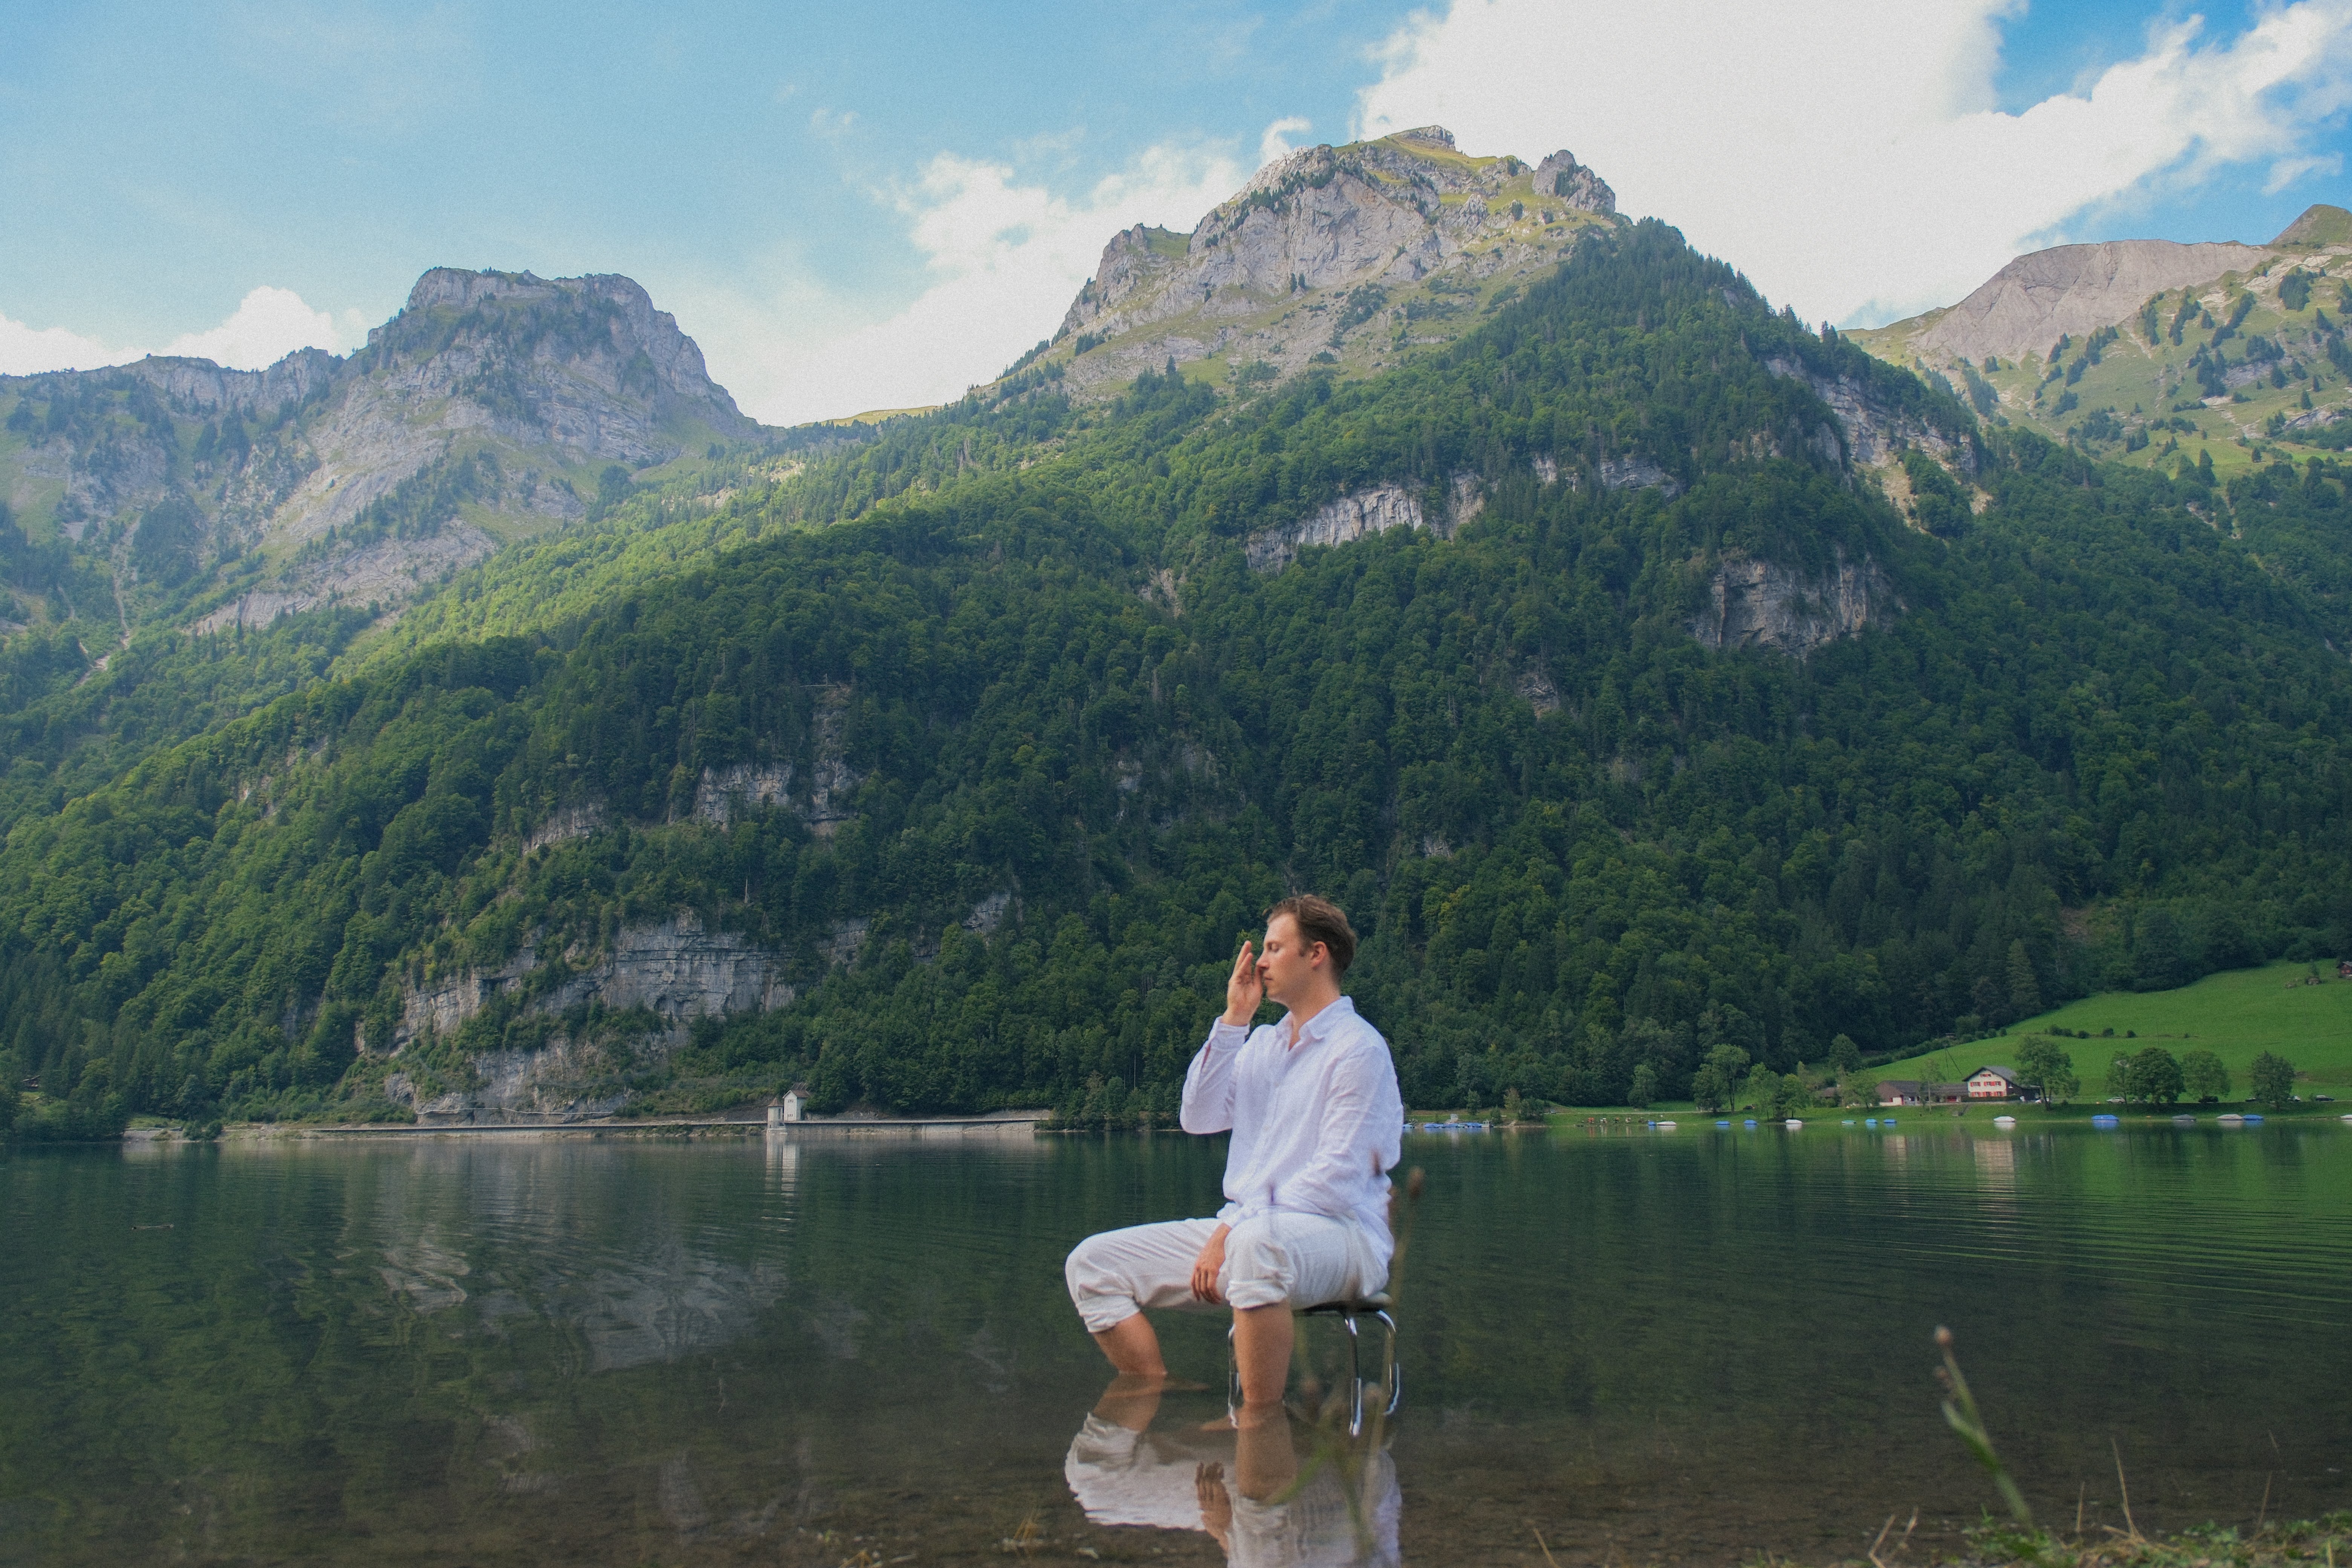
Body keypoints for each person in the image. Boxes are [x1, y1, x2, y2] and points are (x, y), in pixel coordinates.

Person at [1063, 894, 1403, 1425]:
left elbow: (1338, 1179)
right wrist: (1233, 1020)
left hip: (1344, 1237)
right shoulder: (1263, 1045)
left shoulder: (1358, 1050)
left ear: (1316, 954)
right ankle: (1154, 1392)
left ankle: (1257, 1422)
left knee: (1254, 1244)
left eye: (1273, 948)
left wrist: (1232, 1229)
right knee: (1092, 1266)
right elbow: (1196, 1116)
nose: (1260, 962)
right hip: (1249, 1232)